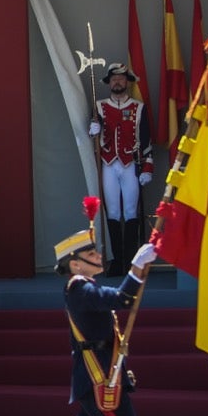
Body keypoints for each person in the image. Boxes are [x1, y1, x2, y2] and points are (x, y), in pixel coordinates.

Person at [44, 225, 173, 416]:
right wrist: (137, 267)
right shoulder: (79, 288)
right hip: (100, 383)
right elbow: (123, 300)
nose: (99, 255)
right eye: (91, 253)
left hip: (98, 380)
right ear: (75, 264)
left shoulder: (86, 287)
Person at [88, 64, 152, 275]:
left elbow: (145, 140)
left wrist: (147, 167)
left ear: (127, 82)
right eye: (114, 78)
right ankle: (116, 261)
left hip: (131, 164)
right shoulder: (99, 106)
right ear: (109, 82)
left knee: (131, 211)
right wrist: (93, 130)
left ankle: (131, 262)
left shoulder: (138, 107)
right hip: (108, 164)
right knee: (113, 212)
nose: (117, 82)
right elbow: (91, 135)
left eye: (121, 78)